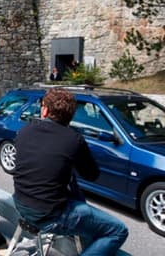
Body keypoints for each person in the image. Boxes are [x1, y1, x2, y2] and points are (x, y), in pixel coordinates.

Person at [12, 88, 128, 255]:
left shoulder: (24, 131)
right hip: (49, 216)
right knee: (118, 230)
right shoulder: (73, 139)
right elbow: (91, 175)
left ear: (45, 110)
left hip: (21, 204)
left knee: (70, 183)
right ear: (71, 116)